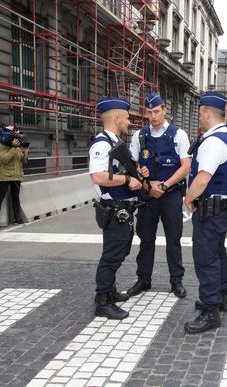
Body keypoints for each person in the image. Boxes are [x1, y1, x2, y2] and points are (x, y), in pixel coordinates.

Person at [184, 91, 227, 334]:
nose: (200, 116)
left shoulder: (214, 141)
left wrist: (188, 198)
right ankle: (219, 297)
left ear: (206, 113)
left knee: (206, 259)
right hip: (221, 208)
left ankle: (210, 310)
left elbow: (202, 179)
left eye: (200, 113)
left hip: (210, 210)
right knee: (218, 255)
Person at [126, 92, 190, 299]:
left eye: (156, 111)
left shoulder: (178, 134)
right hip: (146, 196)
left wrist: (163, 186)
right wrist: (143, 180)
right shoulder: (139, 136)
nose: (153, 116)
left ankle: (176, 281)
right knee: (146, 240)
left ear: (164, 110)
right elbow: (132, 165)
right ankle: (143, 280)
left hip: (170, 195)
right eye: (149, 112)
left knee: (173, 240)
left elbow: (186, 167)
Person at [88, 96, 143, 320]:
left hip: (123, 208)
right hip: (113, 207)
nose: (129, 123)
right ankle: (102, 300)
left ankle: (109, 290)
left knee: (120, 251)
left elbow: (118, 170)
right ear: (117, 118)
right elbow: (98, 176)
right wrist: (127, 181)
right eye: (127, 118)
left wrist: (137, 174)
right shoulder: (102, 144)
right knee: (111, 256)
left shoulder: (115, 143)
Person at [0, 126, 29, 228]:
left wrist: (25, 151)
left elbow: (24, 161)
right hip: (5, 176)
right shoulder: (1, 146)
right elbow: (4, 159)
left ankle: (17, 218)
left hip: (16, 176)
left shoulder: (17, 147)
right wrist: (13, 148)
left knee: (16, 198)